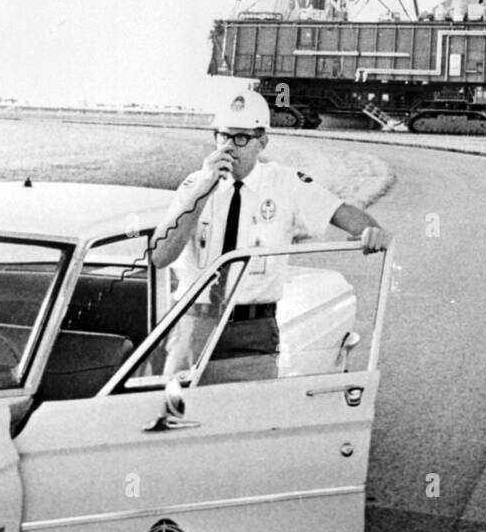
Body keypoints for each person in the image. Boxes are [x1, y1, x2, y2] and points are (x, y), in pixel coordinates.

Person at [150, 90, 391, 373]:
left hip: (252, 329)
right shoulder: (194, 186)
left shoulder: (285, 184)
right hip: (194, 320)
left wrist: (372, 231)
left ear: (262, 142)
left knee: (253, 412)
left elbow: (345, 214)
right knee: (177, 412)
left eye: (241, 138)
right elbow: (160, 256)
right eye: (223, 136)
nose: (229, 147)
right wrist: (203, 191)